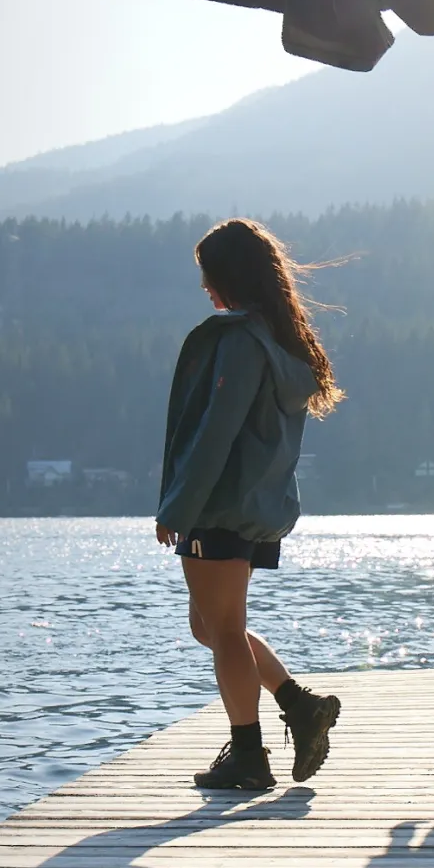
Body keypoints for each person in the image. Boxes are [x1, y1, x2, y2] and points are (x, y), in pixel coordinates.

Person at [155, 218, 345, 791]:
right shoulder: (279, 338)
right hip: (255, 501)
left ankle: (248, 753)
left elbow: (216, 431)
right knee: (210, 626)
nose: (205, 289)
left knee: (224, 628)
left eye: (208, 277)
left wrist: (178, 506)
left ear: (228, 276)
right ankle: (297, 704)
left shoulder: (239, 342)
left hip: (218, 503)